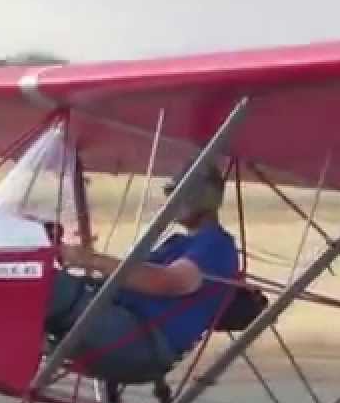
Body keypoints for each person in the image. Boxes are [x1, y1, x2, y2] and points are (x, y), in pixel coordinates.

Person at [43, 161, 238, 384]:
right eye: (173, 192)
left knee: (43, 287)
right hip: (122, 324)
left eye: (184, 192)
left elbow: (169, 282)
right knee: (38, 281)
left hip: (142, 339)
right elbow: (125, 281)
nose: (174, 199)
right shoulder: (178, 243)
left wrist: (89, 259)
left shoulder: (215, 245)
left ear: (206, 198)